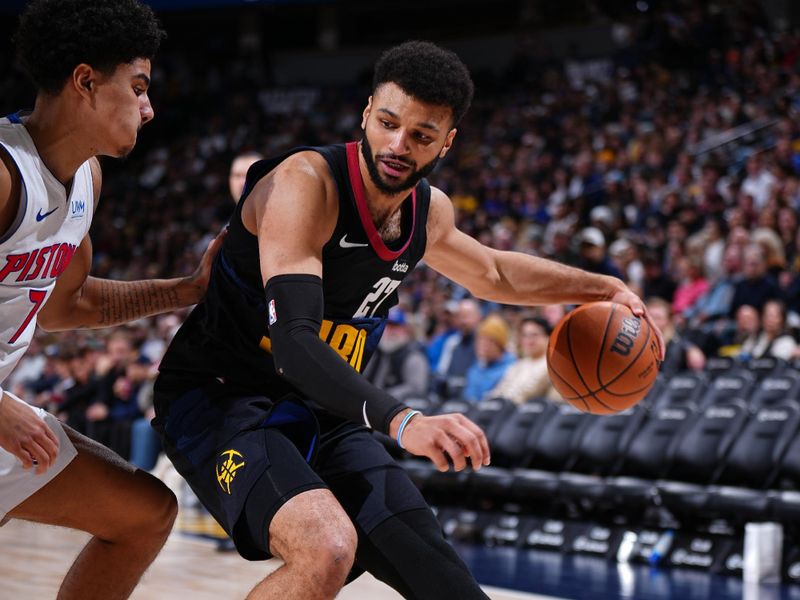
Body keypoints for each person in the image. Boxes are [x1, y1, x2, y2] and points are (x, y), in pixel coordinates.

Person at [152, 40, 662, 600]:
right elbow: (295, 342)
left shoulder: (429, 211)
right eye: (389, 123)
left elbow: (493, 272)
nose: (398, 145)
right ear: (367, 112)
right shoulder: (305, 184)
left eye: (420, 135)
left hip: (327, 411)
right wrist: (404, 422)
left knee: (450, 589)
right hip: (224, 398)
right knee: (326, 549)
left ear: (446, 142)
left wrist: (603, 286)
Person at [0, 2, 222, 598]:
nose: (150, 108)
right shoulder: (2, 170)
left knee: (144, 512)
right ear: (86, 82)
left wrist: (185, 289)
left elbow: (66, 305)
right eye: (139, 87)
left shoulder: (86, 179)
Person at [363, 306, 430, 400]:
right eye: (388, 325)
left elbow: (417, 388)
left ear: (405, 330)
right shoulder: (374, 351)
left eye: (395, 326)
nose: (390, 331)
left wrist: (384, 395)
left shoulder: (413, 356)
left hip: (395, 407)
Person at [488, 315, 555, 404]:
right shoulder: (518, 365)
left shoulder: (551, 365)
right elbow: (499, 389)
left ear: (547, 337)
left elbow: (529, 393)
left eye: (534, 335)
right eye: (525, 335)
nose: (529, 340)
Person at [462, 314, 515, 402]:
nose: (482, 345)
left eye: (488, 341)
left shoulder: (511, 369)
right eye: (480, 340)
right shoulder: (475, 368)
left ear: (499, 345)